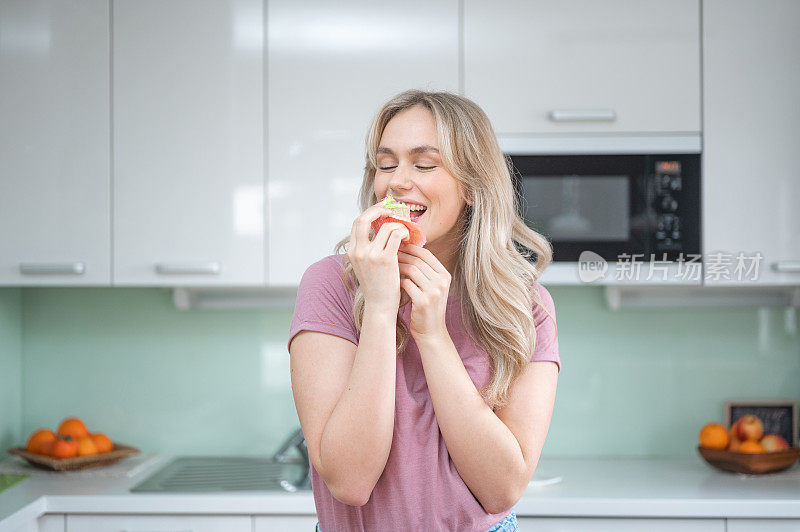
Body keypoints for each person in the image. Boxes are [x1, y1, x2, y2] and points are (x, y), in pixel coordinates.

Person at [287, 89, 560, 532]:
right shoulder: (330, 285)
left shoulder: (523, 306)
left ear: (472, 186)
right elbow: (350, 481)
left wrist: (432, 334)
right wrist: (379, 307)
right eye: (386, 164)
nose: (397, 182)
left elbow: (502, 488)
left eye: (424, 164)